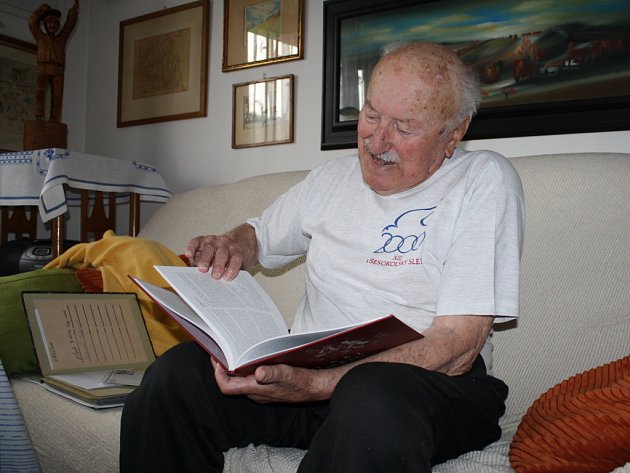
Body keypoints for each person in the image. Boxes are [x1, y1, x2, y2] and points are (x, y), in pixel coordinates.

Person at [120, 41, 525, 472]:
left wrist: (319, 384)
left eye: (404, 128)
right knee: (176, 376)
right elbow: (259, 236)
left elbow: (458, 346)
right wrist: (231, 244)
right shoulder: (331, 179)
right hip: (314, 374)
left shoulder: (482, 178)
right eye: (371, 115)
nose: (377, 140)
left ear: (455, 132)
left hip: (427, 388)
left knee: (370, 395)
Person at [29, 0, 79, 122]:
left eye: (56, 23)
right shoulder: (40, 37)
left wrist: (73, 12)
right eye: (49, 23)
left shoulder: (61, 39)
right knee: (39, 92)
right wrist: (42, 10)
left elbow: (69, 26)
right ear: (45, 24)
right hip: (43, 69)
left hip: (58, 71)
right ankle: (39, 115)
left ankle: (54, 119)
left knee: (57, 97)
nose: (52, 25)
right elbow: (32, 24)